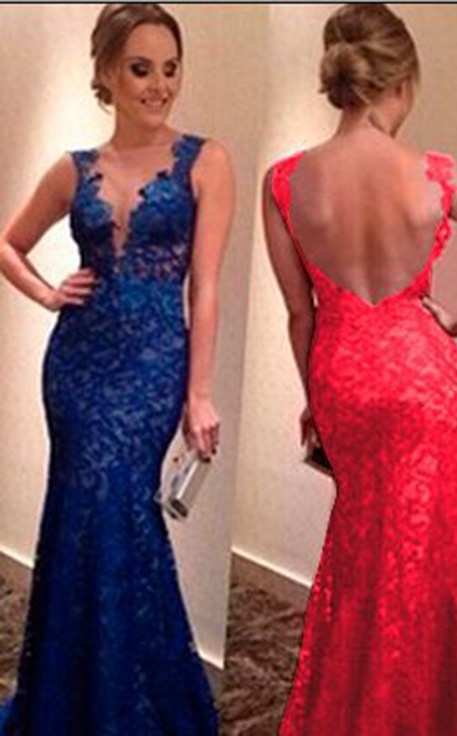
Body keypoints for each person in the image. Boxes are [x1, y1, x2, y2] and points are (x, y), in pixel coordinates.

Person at [263, 4, 457, 734]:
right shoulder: (435, 174)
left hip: (344, 376)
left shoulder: (284, 180)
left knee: (361, 558)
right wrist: (456, 320)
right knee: (429, 559)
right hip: (426, 380)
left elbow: (300, 315)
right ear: (402, 82)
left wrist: (315, 398)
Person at [0, 4, 234, 734]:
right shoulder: (74, 169)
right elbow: (8, 244)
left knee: (122, 512)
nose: (160, 84)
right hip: (78, 365)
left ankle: (131, 701)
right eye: (141, 69)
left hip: (154, 367)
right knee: (80, 515)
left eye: (170, 69)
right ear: (105, 73)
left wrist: (199, 393)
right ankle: (73, 702)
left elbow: (206, 288)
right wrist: (48, 293)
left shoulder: (206, 160)